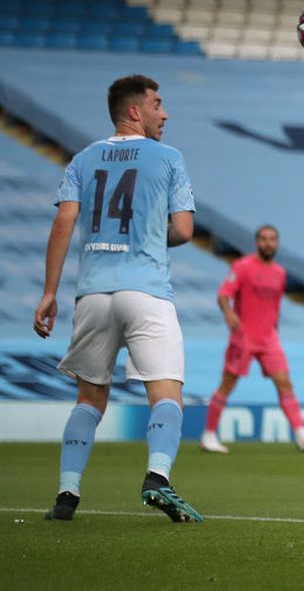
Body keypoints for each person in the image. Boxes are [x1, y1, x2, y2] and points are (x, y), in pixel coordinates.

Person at [35, 74, 202, 523]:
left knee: (89, 400)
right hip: (145, 291)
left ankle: (67, 494)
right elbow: (184, 230)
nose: (164, 113)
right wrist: (147, 236)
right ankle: (158, 477)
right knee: (166, 394)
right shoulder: (169, 157)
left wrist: (49, 293)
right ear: (134, 111)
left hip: (92, 294)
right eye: (157, 103)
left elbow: (63, 224)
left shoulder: (83, 159)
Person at [200, 225, 304, 454]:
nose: (268, 243)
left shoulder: (280, 273)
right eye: (264, 239)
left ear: (277, 243)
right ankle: (209, 435)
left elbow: (275, 306)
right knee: (227, 384)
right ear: (256, 242)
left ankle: (301, 433)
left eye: (272, 239)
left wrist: (275, 332)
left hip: (269, 339)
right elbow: (223, 295)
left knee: (284, 383)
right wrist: (229, 314)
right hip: (244, 338)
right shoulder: (242, 267)